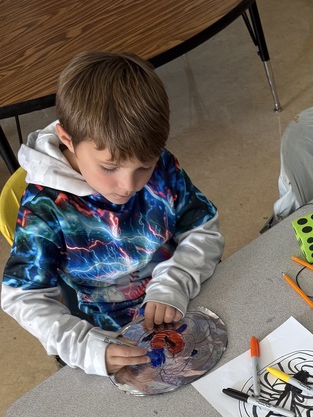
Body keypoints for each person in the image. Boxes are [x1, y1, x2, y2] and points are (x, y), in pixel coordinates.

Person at [1, 51, 224, 376]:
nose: (128, 185)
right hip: (106, 336)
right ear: (68, 139)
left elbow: (203, 229)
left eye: (144, 167)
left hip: (182, 296)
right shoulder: (45, 207)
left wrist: (174, 283)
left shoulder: (160, 164)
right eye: (109, 167)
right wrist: (83, 346)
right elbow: (22, 296)